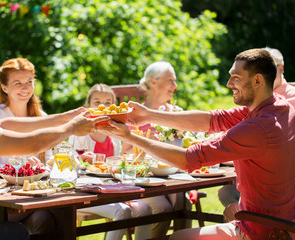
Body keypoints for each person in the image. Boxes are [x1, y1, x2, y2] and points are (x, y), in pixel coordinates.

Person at [100, 48, 295, 240]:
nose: (228, 84)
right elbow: (212, 120)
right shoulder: (279, 106)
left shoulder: (256, 128)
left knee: (177, 238)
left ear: (258, 81)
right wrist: (149, 116)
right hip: (281, 223)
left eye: (236, 77)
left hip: (261, 231)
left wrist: (130, 137)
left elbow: (187, 159)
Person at [0, 54, 107, 240]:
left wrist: (66, 117)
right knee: (17, 233)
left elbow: (5, 125)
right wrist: (71, 128)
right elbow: (32, 144)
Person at [0, 58, 57, 234]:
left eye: (29, 82)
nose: (25, 88)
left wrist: (43, 167)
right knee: (58, 211)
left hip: (34, 195)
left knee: (45, 219)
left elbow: (50, 160)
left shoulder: (41, 116)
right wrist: (21, 170)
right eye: (18, 83)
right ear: (4, 87)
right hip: (1, 197)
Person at [68, 83, 151, 240]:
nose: (102, 107)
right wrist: (83, 161)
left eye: (107, 103)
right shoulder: (81, 132)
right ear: (88, 106)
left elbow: (114, 168)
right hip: (86, 192)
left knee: (145, 209)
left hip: (112, 190)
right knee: (123, 211)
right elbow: (69, 163)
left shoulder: (114, 134)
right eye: (97, 102)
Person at [218, 47, 295, 208]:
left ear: (278, 69)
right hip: (256, 174)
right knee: (226, 192)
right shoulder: (255, 102)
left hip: (281, 189)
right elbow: (222, 121)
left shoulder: (288, 102)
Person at [123, 61, 191, 238]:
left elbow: (188, 145)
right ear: (153, 82)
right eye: (170, 80)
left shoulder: (176, 112)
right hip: (143, 178)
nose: (175, 86)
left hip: (172, 175)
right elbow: (124, 153)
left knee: (183, 202)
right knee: (164, 208)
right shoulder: (134, 115)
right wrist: (148, 145)